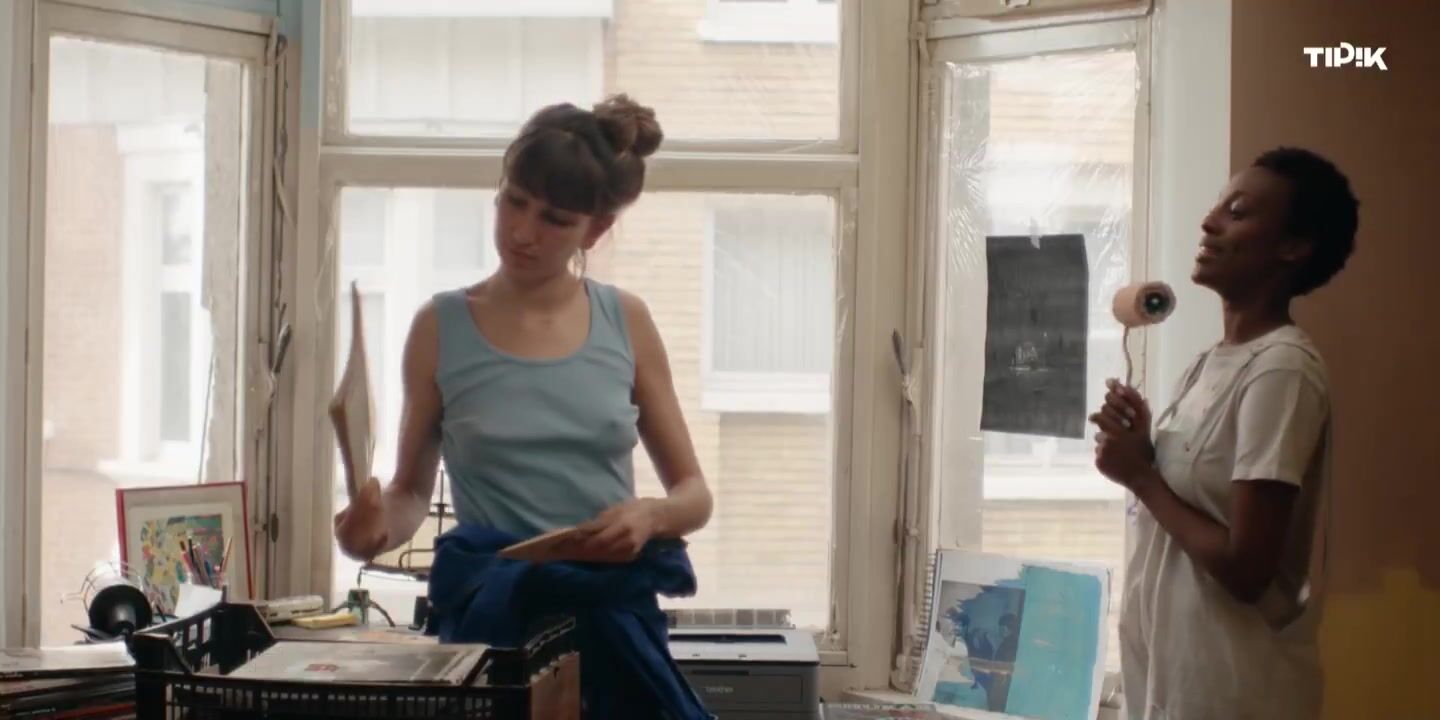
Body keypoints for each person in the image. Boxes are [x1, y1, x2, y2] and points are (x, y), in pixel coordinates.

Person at [333, 94, 715, 718]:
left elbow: (694, 495)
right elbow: (410, 492)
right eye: (514, 201)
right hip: (493, 630)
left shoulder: (626, 321)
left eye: (554, 219)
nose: (521, 233)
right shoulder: (439, 327)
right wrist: (369, 532)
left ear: (595, 230)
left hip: (613, 627)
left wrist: (650, 516)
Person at [1090, 147, 1357, 720]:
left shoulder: (1282, 368)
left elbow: (1247, 568)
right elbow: (1186, 509)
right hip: (1171, 688)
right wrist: (1140, 448)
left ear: (1294, 246)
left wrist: (1140, 477)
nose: (1209, 222)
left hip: (1235, 695)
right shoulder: (1207, 364)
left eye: (1237, 212)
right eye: (1217, 207)